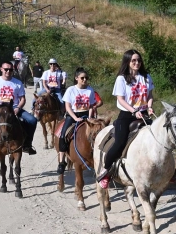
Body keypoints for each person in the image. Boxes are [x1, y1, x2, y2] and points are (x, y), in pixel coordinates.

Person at [97, 50, 155, 189]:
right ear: (128, 62)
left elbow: (150, 95)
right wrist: (134, 111)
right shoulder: (122, 79)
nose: (137, 63)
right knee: (119, 143)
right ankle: (106, 171)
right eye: (133, 60)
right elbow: (120, 100)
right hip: (127, 115)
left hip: (144, 114)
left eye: (139, 60)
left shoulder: (146, 77)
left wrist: (150, 107)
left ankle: (169, 172)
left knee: (159, 137)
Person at [0, 62, 38, 158]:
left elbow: (22, 99)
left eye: (10, 70)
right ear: (1, 69)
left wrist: (18, 108)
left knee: (32, 120)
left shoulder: (18, 83)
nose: (8, 71)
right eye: (6, 69)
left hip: (14, 108)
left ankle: (27, 145)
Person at [57, 67, 96, 174]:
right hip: (73, 115)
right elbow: (68, 106)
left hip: (86, 115)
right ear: (76, 78)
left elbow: (92, 105)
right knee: (63, 134)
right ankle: (61, 161)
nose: (84, 80)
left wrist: (89, 117)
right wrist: (75, 118)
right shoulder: (71, 90)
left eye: (86, 78)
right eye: (82, 78)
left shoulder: (90, 90)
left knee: (98, 132)